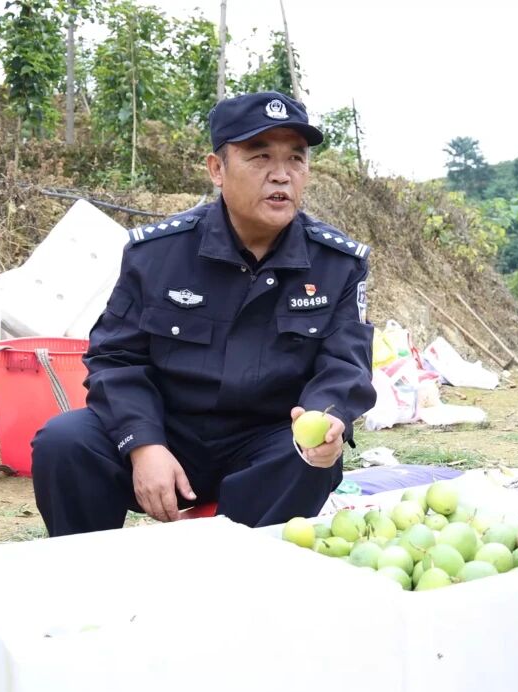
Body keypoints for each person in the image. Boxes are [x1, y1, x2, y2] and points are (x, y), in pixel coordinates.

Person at [31, 91, 376, 536]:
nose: (281, 175)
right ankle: (89, 569)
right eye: (260, 156)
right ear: (217, 169)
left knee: (306, 459)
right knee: (65, 441)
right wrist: (143, 444)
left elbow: (344, 364)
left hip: (264, 442)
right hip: (167, 429)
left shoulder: (337, 263)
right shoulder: (158, 254)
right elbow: (116, 358)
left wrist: (327, 420)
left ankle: (238, 567)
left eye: (296, 158)